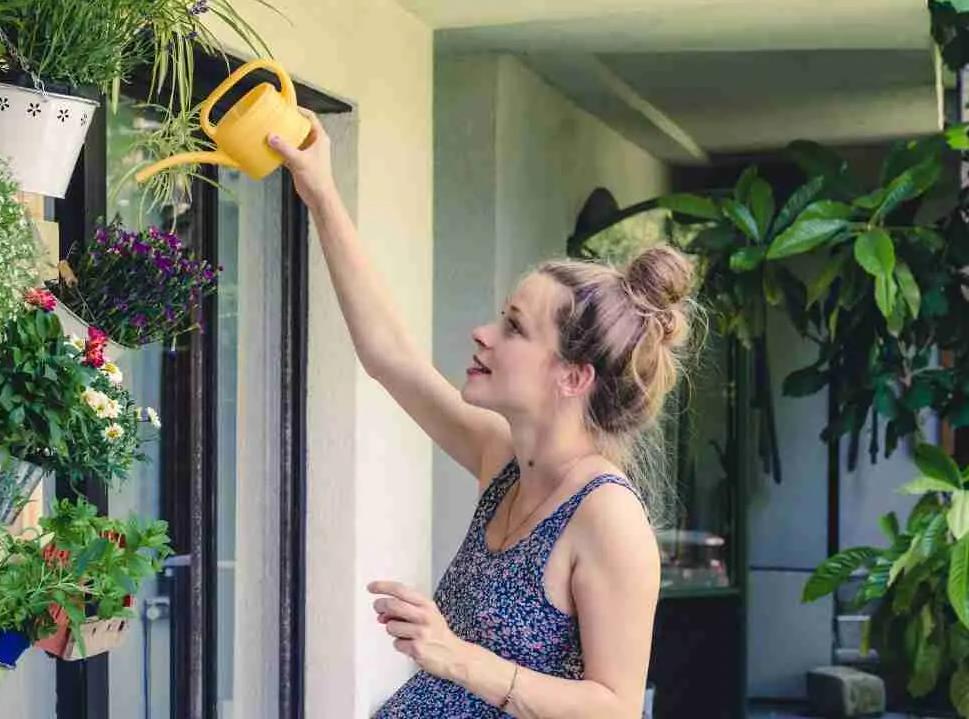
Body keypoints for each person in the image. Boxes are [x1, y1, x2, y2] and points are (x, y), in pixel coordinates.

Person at [268, 110, 695, 718]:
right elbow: (391, 358)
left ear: (572, 376)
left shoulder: (607, 516)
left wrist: (456, 656)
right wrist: (322, 194)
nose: (483, 334)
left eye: (514, 327)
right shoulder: (506, 461)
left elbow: (615, 708)